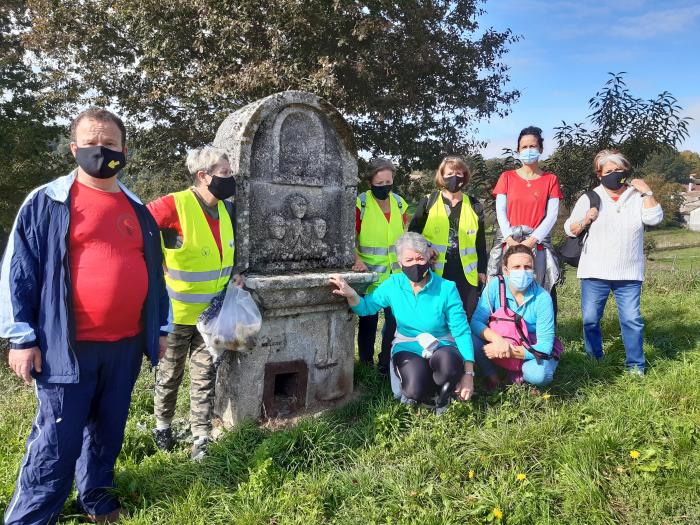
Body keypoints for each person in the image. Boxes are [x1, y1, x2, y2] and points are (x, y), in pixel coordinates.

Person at [0, 107, 168, 524]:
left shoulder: (138, 209)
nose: (101, 150)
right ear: (74, 149)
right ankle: (33, 517)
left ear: (124, 150)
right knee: (57, 440)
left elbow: (155, 273)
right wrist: (21, 338)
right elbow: (17, 272)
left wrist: (160, 329)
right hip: (64, 348)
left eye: (110, 143)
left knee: (108, 432)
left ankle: (97, 498)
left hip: (125, 346)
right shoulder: (48, 201)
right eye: (92, 143)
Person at [147, 146, 242, 460]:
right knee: (170, 373)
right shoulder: (176, 204)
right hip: (176, 314)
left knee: (204, 377)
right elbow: (137, 224)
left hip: (211, 315)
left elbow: (224, 253)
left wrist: (234, 277)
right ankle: (163, 427)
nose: (231, 179)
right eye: (225, 174)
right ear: (204, 176)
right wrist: (154, 260)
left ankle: (200, 437)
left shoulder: (227, 210)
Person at [332, 232, 474, 409]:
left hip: (442, 344)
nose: (415, 264)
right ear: (400, 263)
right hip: (408, 344)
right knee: (414, 390)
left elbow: (461, 331)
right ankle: (426, 388)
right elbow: (366, 307)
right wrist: (351, 294)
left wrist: (468, 373)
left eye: (420, 258)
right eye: (409, 260)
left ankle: (445, 396)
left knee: (449, 367)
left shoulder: (447, 288)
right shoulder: (393, 284)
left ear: (429, 258)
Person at [564, 149, 663, 374]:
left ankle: (635, 366)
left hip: (628, 272)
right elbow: (569, 229)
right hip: (594, 270)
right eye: (609, 171)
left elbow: (655, 218)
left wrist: (647, 192)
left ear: (626, 171)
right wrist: (585, 219)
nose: (614, 174)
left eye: (619, 170)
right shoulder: (590, 197)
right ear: (599, 174)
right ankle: (594, 358)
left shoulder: (637, 196)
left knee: (631, 320)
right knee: (590, 319)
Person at [487, 126, 563, 313]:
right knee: (505, 288)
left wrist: (532, 240)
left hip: (537, 244)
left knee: (539, 288)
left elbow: (552, 214)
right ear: (518, 150)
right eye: (524, 147)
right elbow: (501, 211)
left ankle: (542, 335)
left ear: (541, 149)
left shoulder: (550, 180)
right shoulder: (507, 177)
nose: (528, 150)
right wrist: (509, 239)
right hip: (509, 241)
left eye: (532, 146)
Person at [408, 156, 487, 319]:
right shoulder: (429, 202)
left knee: (465, 319)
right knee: (436, 318)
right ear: (442, 176)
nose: (455, 177)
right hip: (435, 271)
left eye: (459, 172)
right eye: (450, 173)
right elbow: (412, 233)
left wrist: (482, 270)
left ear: (464, 176)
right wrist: (427, 248)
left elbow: (480, 242)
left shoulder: (474, 204)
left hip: (466, 275)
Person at [471, 245, 559, 388]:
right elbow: (476, 321)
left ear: (533, 270)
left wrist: (509, 351)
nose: (522, 272)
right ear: (506, 270)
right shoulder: (495, 286)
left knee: (539, 375)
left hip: (530, 347)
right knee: (471, 337)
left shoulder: (543, 298)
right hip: (500, 340)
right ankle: (493, 376)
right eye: (516, 267)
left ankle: (523, 375)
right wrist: (497, 339)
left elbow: (544, 347)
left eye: (527, 267)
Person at [353, 158, 408, 374]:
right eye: (380, 183)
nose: (385, 186)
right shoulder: (361, 203)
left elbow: (402, 237)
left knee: (394, 323)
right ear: (370, 183)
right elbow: (349, 236)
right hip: (369, 277)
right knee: (368, 322)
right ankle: (365, 364)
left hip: (396, 276)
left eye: (388, 182)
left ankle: (385, 363)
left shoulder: (400, 203)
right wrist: (356, 259)